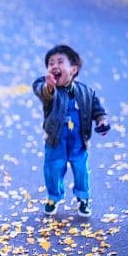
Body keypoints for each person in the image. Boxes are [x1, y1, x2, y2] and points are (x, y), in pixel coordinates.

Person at [32, 44, 109, 216]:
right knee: (53, 168)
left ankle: (83, 198)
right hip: (55, 140)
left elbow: (97, 109)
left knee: (81, 170)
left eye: (60, 62)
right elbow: (41, 91)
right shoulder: (49, 89)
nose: (55, 66)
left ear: (73, 69)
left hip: (78, 141)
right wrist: (49, 87)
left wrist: (101, 121)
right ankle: (53, 197)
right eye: (51, 63)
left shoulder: (86, 92)